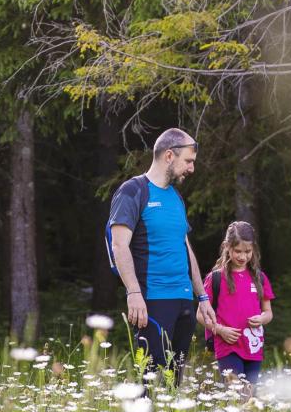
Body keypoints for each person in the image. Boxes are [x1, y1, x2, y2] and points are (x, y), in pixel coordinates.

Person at [105, 128, 217, 381]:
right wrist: (133, 292)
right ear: (169, 155)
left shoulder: (176, 197)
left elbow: (186, 248)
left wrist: (202, 296)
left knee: (174, 380)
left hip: (184, 300)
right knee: (150, 379)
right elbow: (119, 246)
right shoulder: (132, 191)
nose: (191, 168)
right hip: (153, 300)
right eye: (188, 161)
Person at [202, 221, 274, 384]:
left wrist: (262, 319)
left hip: (253, 348)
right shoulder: (215, 278)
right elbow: (201, 315)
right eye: (238, 251)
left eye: (247, 251)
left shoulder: (259, 278)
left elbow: (268, 312)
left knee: (249, 398)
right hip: (228, 346)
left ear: (253, 249)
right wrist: (220, 330)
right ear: (227, 247)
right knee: (236, 396)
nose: (243, 256)